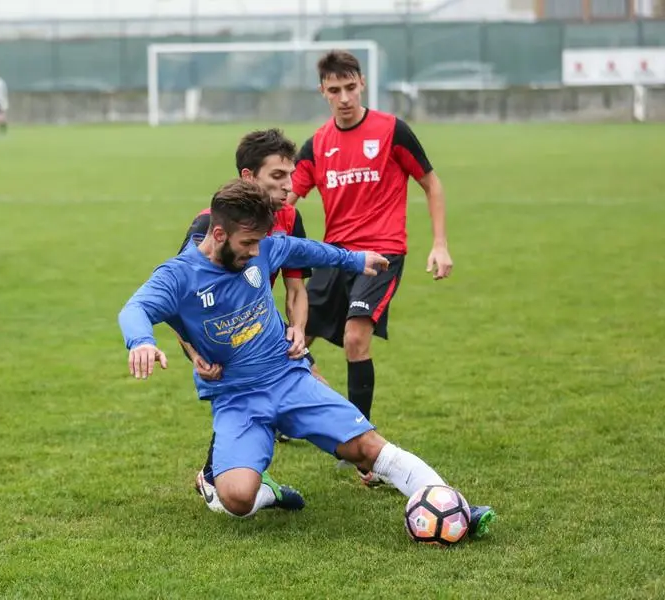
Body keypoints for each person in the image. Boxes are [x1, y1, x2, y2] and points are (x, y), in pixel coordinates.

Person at [118, 179, 494, 538]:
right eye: (247, 242)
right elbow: (135, 309)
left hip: (289, 378)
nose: (254, 251)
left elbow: (305, 249)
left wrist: (354, 260)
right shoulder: (178, 276)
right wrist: (141, 342)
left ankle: (453, 505)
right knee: (235, 497)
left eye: (258, 242)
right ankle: (271, 493)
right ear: (219, 235)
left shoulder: (262, 248)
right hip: (236, 398)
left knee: (366, 447)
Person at [287, 50, 452, 485]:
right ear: (323, 92)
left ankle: (364, 450)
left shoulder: (391, 131)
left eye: (350, 87)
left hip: (382, 253)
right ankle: (285, 409)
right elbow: (286, 200)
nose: (344, 97)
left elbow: (431, 183)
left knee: (356, 338)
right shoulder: (316, 145)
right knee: (295, 336)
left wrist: (439, 244)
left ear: (362, 83)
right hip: (335, 256)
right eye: (334, 90)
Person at [176, 129, 325, 512]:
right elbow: (180, 299)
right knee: (251, 397)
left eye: (290, 176)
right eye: (277, 176)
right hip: (218, 335)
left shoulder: (289, 217)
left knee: (306, 386)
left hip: (260, 328)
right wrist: (194, 354)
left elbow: (296, 289)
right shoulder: (210, 225)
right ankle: (224, 478)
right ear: (248, 177)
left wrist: (298, 330)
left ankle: (227, 475)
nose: (288, 186)